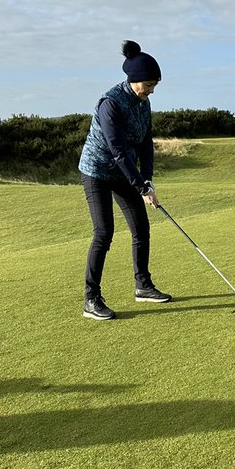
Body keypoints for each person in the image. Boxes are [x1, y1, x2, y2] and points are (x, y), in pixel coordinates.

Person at [78, 40, 172, 320]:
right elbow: (118, 150)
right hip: (97, 171)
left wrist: (149, 180)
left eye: (155, 84)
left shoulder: (144, 103)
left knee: (141, 227)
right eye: (149, 84)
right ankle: (91, 299)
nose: (152, 89)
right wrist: (141, 186)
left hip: (121, 172)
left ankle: (143, 286)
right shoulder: (110, 104)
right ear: (134, 80)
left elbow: (145, 144)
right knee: (104, 233)